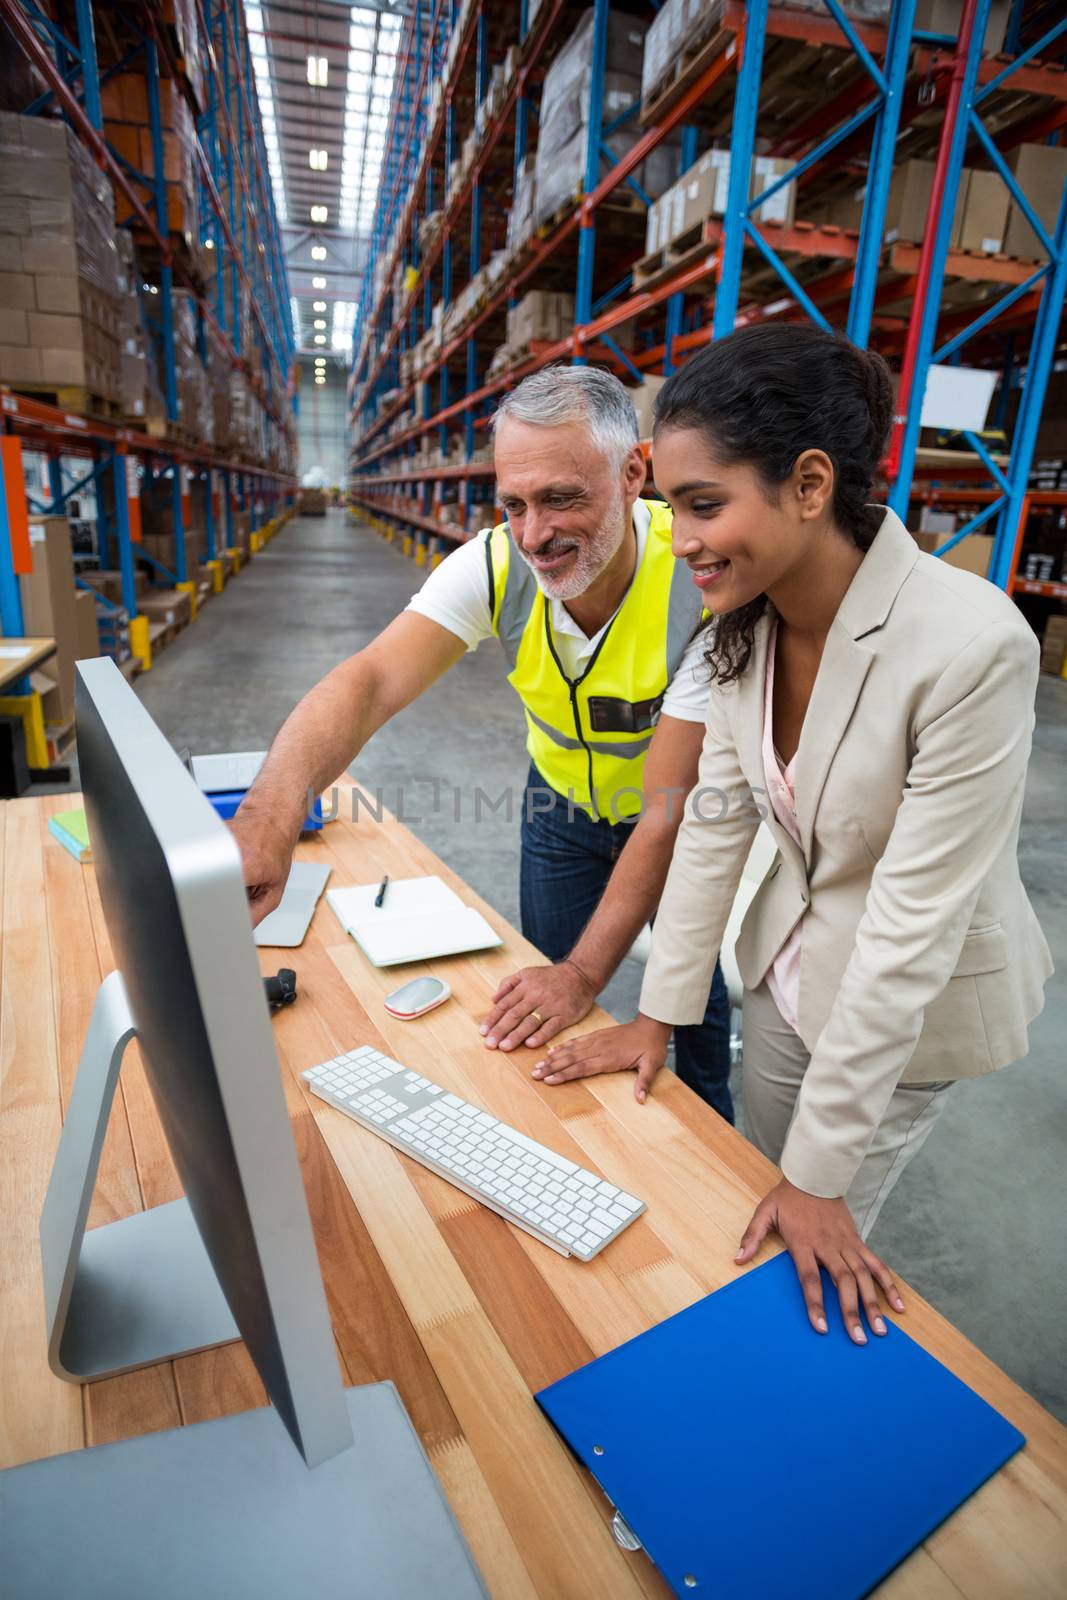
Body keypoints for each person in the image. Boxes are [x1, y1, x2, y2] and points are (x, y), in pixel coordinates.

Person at [534, 324, 1052, 1342]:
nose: (677, 539)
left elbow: (909, 928)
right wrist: (658, 1014)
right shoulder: (741, 633)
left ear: (808, 484)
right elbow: (709, 839)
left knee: (805, 1235)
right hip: (779, 972)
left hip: (914, 1003)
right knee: (749, 1192)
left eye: (702, 503)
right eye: (668, 505)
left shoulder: (971, 645)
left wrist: (821, 1178)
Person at [231, 366, 734, 1118]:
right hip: (560, 815)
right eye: (513, 504)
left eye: (563, 498)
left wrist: (586, 973)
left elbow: (669, 809)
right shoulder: (496, 566)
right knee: (550, 998)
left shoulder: (698, 575)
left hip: (677, 817)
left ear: (634, 473)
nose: (534, 534)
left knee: (688, 998)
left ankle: (715, 1129)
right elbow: (368, 680)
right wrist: (269, 818)